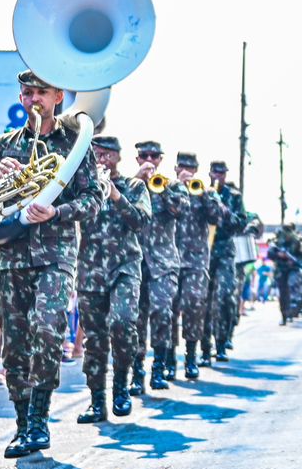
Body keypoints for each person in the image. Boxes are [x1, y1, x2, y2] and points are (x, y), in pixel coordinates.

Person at [0, 70, 103, 458]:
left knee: (48, 326)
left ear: (58, 96)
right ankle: (23, 424)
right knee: (17, 344)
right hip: (11, 257)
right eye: (27, 93)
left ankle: (40, 417)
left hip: (56, 256)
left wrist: (56, 211)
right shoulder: (4, 145)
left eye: (42, 92)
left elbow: (94, 200)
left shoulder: (76, 144)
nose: (34, 99)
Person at [75, 137, 150, 423]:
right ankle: (97, 401)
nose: (101, 160)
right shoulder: (85, 188)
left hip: (125, 268)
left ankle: (121, 386)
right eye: (96, 155)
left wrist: (117, 196)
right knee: (94, 339)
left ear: (118, 157)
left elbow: (141, 221)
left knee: (122, 323)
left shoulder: (134, 187)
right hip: (91, 270)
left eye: (106, 155)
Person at [131, 140, 185, 391]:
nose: (149, 160)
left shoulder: (173, 186)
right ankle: (136, 371)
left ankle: (160, 368)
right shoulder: (128, 184)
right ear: (137, 158)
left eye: (154, 156)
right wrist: (137, 181)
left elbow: (181, 210)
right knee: (135, 319)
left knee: (163, 312)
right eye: (144, 155)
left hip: (163, 263)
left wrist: (159, 189)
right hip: (133, 262)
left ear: (162, 159)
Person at [174, 153, 222, 380]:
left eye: (191, 168)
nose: (187, 171)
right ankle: (167, 360)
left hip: (195, 260)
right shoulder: (166, 187)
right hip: (167, 260)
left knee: (194, 304)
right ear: (175, 168)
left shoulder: (206, 192)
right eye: (183, 167)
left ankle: (191, 355)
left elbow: (217, 218)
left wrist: (203, 194)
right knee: (166, 312)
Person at [203, 160, 246, 364]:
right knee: (202, 302)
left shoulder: (234, 197)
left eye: (222, 173)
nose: (218, 176)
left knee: (224, 297)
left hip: (224, 253)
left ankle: (220, 344)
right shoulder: (200, 190)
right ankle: (203, 349)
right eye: (215, 172)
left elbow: (240, 223)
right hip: (202, 253)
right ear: (209, 172)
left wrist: (224, 209)